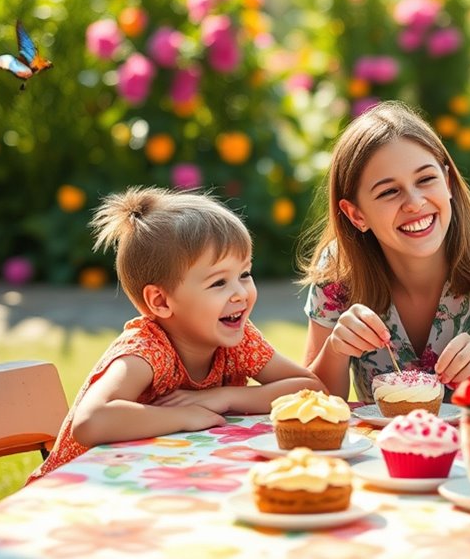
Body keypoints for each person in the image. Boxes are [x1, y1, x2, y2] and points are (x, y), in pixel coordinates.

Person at [29, 187, 325, 482]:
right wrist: (184, 417)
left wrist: (224, 397)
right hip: (72, 492)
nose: (240, 293)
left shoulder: (237, 339)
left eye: (244, 274)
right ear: (161, 301)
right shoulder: (146, 349)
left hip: (147, 482)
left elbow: (312, 389)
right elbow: (91, 421)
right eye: (218, 282)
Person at [300, 101, 470, 403]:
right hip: (385, 449)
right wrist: (334, 350)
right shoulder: (338, 269)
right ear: (356, 215)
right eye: (389, 192)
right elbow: (313, 405)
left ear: (448, 181)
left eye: (426, 179)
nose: (414, 203)